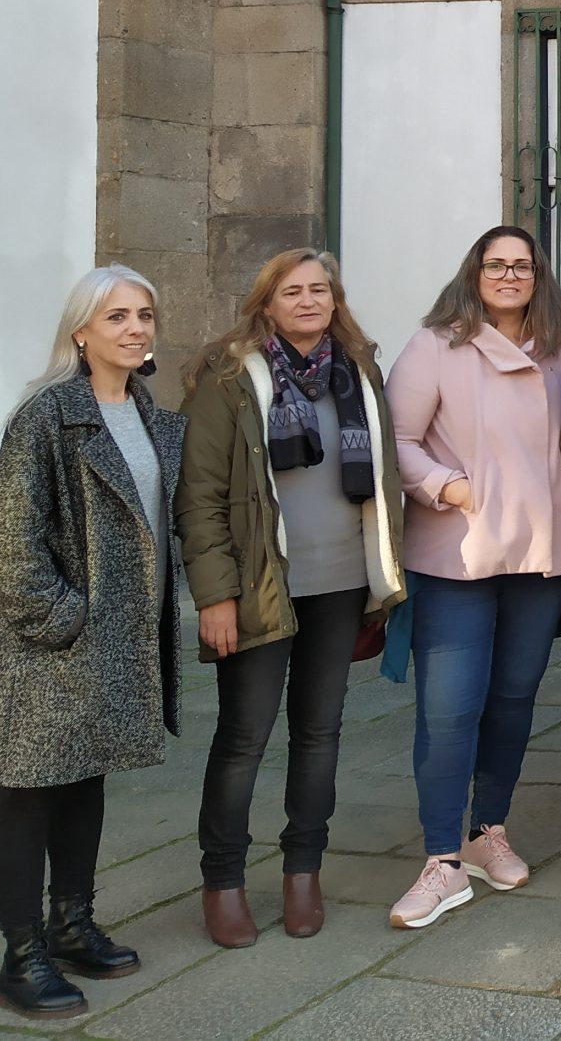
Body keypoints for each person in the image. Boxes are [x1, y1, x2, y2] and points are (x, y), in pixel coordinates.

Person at [178, 248, 407, 949]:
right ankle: (223, 882)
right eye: (292, 291)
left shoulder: (358, 373)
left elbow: (387, 476)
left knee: (319, 734)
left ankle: (302, 873)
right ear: (265, 304)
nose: (309, 301)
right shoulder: (230, 379)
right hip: (258, 590)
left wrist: (387, 576)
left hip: (340, 585)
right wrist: (214, 597)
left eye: (320, 290)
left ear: (334, 301)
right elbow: (201, 500)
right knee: (243, 738)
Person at [0, 266, 183, 1017]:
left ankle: (71, 924)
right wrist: (64, 619)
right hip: (50, 647)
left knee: (85, 781)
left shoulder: (156, 416)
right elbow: (6, 543)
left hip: (117, 644)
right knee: (30, 792)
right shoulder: (48, 415)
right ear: (82, 332)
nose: (135, 327)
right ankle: (20, 956)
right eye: (117, 315)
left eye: (145, 315)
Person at [383, 226, 561, 928]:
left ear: (539, 275)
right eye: (496, 264)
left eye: (522, 265)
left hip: (543, 556)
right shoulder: (436, 345)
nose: (509, 275)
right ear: (474, 272)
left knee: (512, 700)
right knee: (449, 708)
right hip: (459, 553)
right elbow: (398, 440)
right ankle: (441, 858)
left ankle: (486, 833)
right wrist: (447, 487)